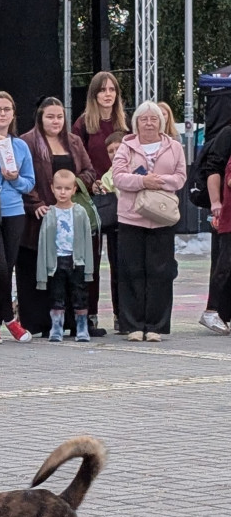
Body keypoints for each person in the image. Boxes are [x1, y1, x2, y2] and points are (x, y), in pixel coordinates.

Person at [19, 97, 96, 336]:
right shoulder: (27, 142)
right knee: (38, 269)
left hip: (70, 218)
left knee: (71, 273)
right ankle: (39, 323)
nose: (55, 121)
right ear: (40, 118)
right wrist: (37, 204)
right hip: (38, 219)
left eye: (59, 116)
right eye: (50, 116)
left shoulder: (73, 141)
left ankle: (75, 323)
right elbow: (22, 177)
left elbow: (89, 171)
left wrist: (71, 187)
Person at [112, 100, 186, 342]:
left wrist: (158, 181)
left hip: (162, 217)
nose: (149, 123)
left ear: (162, 122)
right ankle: (132, 325)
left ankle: (157, 326)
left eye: (154, 118)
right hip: (131, 217)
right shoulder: (126, 145)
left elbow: (180, 178)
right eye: (143, 119)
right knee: (131, 270)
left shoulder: (174, 146)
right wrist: (143, 182)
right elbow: (119, 177)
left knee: (161, 272)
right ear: (136, 123)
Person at [72, 72, 129, 337]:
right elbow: (76, 162)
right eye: (102, 90)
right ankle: (89, 314)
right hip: (93, 198)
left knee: (122, 258)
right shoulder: (83, 124)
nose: (108, 94)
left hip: (123, 198)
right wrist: (91, 182)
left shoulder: (125, 124)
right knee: (91, 259)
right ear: (94, 95)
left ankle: (123, 315)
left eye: (112, 90)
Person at [0, 91, 35, 344]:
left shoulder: (21, 145)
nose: (2, 114)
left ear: (13, 114)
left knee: (8, 266)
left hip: (13, 209)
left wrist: (15, 179)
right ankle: (10, 320)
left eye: (7, 109)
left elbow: (29, 184)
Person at [36, 169, 93, 343]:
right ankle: (56, 328)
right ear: (52, 188)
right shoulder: (49, 213)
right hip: (56, 261)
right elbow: (43, 243)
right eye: (59, 188)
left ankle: (82, 327)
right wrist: (43, 269)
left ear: (74, 189)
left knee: (80, 295)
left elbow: (87, 240)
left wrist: (88, 267)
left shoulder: (80, 212)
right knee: (56, 295)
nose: (63, 192)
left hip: (77, 261)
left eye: (67, 188)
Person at [197, 124, 231, 334]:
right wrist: (215, 203)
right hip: (228, 214)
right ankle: (212, 310)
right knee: (225, 264)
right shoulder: (227, 134)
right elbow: (220, 173)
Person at [98, 131, 127, 331]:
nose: (115, 153)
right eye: (111, 151)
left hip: (134, 226)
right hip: (116, 228)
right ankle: (119, 314)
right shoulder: (107, 176)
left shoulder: (138, 169)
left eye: (118, 148)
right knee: (117, 271)